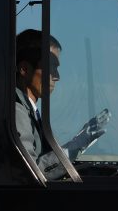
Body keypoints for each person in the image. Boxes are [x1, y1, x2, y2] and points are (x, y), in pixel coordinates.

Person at [14, 29, 108, 178]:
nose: (57, 76)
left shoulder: (29, 111)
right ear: (25, 69)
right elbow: (32, 173)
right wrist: (77, 144)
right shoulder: (17, 111)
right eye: (51, 67)